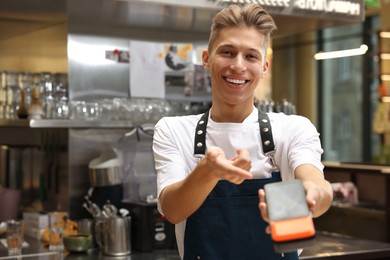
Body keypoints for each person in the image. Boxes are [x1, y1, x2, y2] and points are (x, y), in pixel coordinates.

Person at [153, 3, 333, 259]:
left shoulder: (292, 129)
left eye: (251, 56)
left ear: (264, 67)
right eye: (227, 52)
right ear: (206, 59)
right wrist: (208, 171)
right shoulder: (174, 130)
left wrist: (314, 196)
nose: (238, 66)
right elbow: (173, 210)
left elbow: (317, 185)